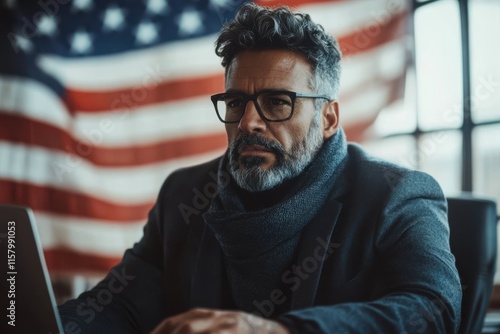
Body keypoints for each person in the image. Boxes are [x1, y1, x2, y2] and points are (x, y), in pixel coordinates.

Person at [58, 3, 462, 333]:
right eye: (236, 103)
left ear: (328, 119)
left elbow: (432, 309)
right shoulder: (182, 195)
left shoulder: (397, 194)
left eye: (277, 101)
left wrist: (277, 331)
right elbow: (120, 307)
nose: (249, 122)